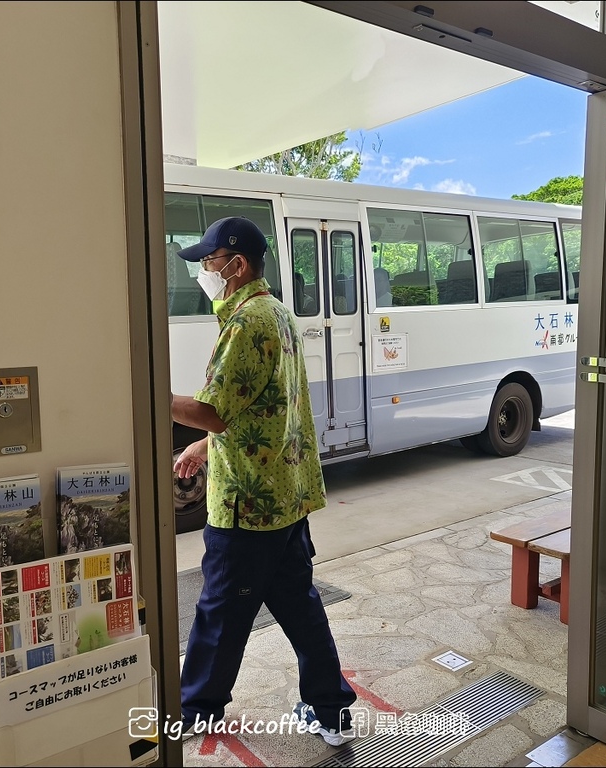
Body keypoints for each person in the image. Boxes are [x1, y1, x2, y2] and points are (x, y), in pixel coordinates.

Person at [170, 216, 357, 746]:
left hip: (248, 504)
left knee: (220, 610)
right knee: (299, 605)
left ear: (237, 265)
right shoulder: (276, 313)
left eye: (208, 262)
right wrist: (204, 445)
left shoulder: (246, 322)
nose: (203, 272)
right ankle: (331, 711)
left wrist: (155, 399)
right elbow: (264, 406)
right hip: (285, 495)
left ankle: (198, 709)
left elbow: (213, 408)